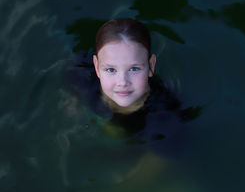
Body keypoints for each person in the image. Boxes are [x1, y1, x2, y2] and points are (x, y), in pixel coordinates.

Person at [64, 18, 201, 141]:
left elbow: (165, 157)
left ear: (151, 66)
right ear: (97, 67)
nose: (122, 82)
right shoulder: (80, 78)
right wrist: (76, 105)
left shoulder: (166, 112)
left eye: (134, 69)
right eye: (111, 70)